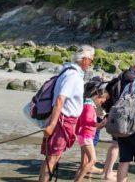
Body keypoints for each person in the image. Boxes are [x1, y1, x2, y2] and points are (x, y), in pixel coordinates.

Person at [40, 45, 95, 182]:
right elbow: (60, 99)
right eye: (91, 60)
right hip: (62, 120)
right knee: (52, 158)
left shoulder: (69, 72)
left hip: (64, 120)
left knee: (53, 157)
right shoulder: (72, 75)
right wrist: (52, 125)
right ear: (83, 59)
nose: (91, 63)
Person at [102, 56, 135, 178]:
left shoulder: (125, 73)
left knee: (115, 143)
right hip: (121, 115)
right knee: (115, 144)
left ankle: (106, 171)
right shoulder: (131, 77)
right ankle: (108, 173)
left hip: (115, 112)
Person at [73, 82, 108, 182]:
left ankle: (77, 180)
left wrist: (97, 125)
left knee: (84, 163)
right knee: (92, 160)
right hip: (86, 136)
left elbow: (83, 121)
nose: (101, 104)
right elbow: (86, 121)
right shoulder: (89, 106)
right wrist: (98, 125)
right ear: (97, 96)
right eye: (101, 102)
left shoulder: (87, 104)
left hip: (83, 135)